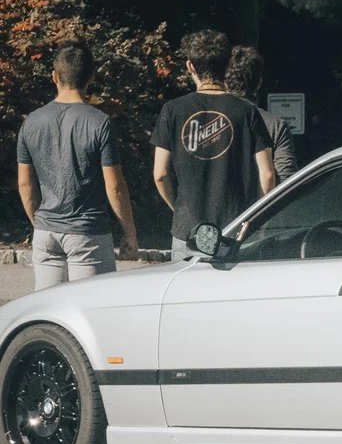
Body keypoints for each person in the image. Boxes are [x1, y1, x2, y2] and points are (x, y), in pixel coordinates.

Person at [14, 44, 140, 289]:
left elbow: (24, 183)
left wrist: (39, 222)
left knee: (51, 315)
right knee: (91, 312)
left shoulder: (31, 122)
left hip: (46, 231)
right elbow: (114, 186)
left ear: (55, 77)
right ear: (91, 77)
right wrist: (129, 232)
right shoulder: (100, 122)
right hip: (87, 233)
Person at [152, 29, 275, 260]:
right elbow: (267, 174)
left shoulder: (172, 110)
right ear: (228, 65)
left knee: (186, 295)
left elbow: (160, 174)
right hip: (237, 228)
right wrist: (257, 218)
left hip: (187, 229)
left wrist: (179, 210)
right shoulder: (247, 111)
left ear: (190, 66)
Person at [225, 46, 298, 181]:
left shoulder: (211, 122)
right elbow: (286, 179)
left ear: (225, 83)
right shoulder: (275, 125)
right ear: (259, 82)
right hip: (264, 201)